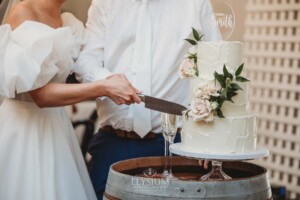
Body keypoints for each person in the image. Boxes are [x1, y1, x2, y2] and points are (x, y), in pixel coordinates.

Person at [74, 0, 222, 199]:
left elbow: (217, 66)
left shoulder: (195, 4)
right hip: (114, 146)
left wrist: (211, 135)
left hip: (177, 148)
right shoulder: (104, 3)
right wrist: (106, 81)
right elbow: (86, 61)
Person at [0, 0, 141, 199]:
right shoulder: (24, 13)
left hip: (57, 127)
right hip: (23, 130)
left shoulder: (68, 21)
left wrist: (108, 79)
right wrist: (103, 87)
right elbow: (41, 95)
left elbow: (86, 65)